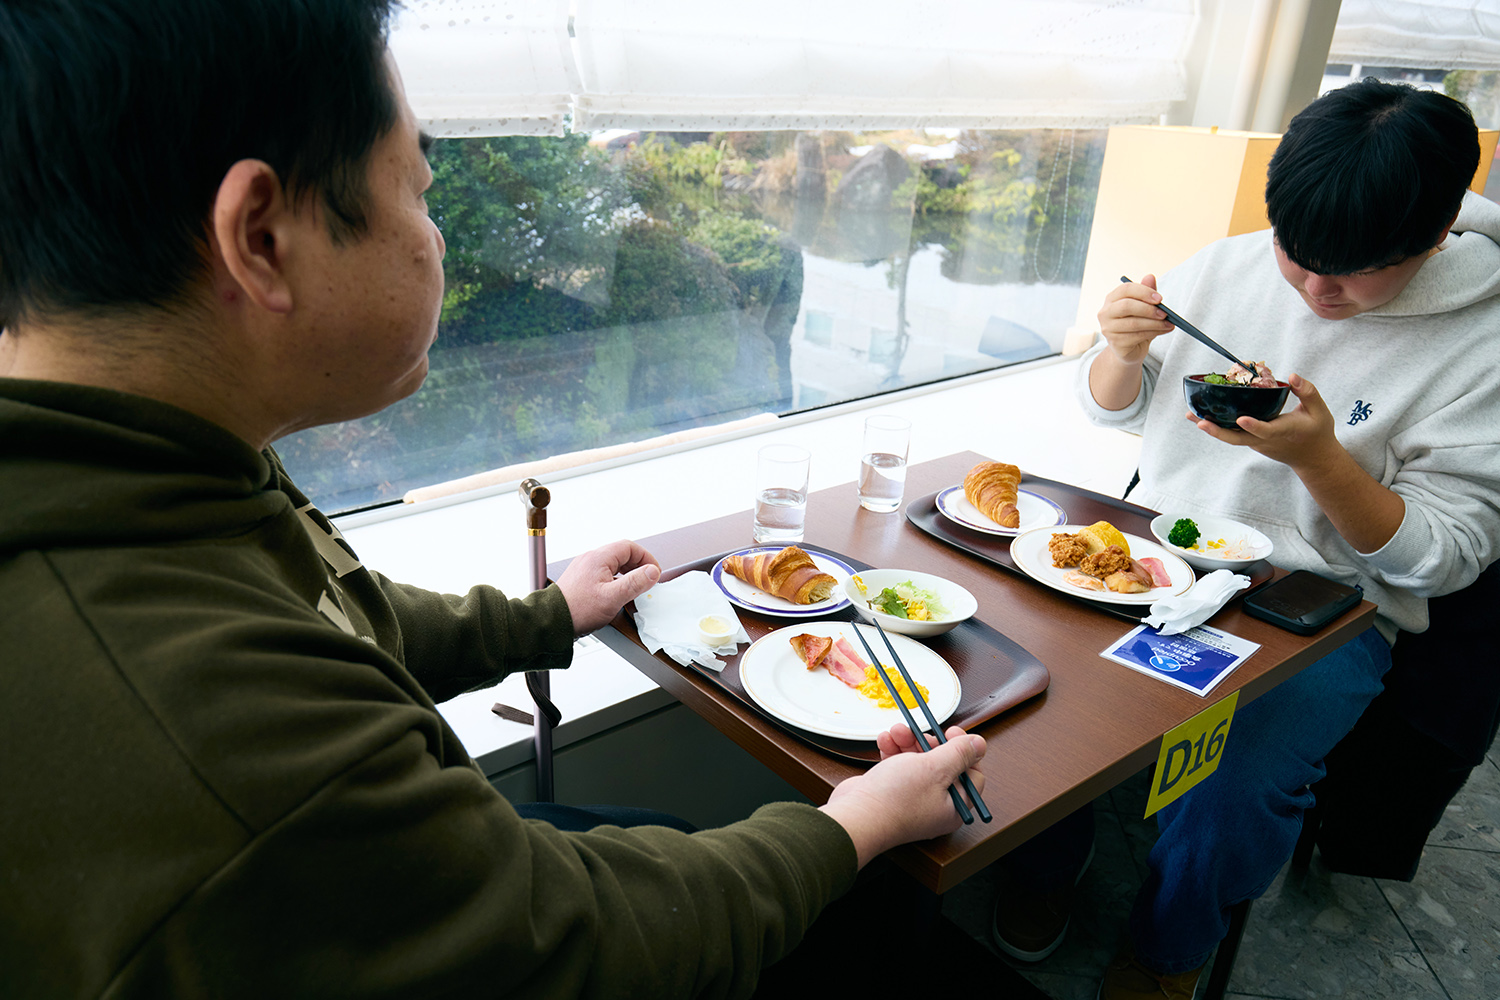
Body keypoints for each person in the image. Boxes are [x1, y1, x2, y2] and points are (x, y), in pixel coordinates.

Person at [0, 3, 987, 997]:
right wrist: (854, 822)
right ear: (260, 236)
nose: (435, 240)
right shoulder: (217, 736)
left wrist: (548, 614)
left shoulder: (153, 466)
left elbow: (336, 627)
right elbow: (578, 942)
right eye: (417, 191)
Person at [990, 79, 1500, 1000]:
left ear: (1431, 240)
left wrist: (1321, 461)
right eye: (1295, 256)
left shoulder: (1483, 340)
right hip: (1159, 563)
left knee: (1233, 789)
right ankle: (1039, 870)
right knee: (1028, 693)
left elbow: (1444, 555)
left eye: (1355, 273)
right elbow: (1119, 410)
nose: (1314, 289)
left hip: (1326, 607)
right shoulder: (1228, 266)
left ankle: (1168, 949)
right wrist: (1120, 350)